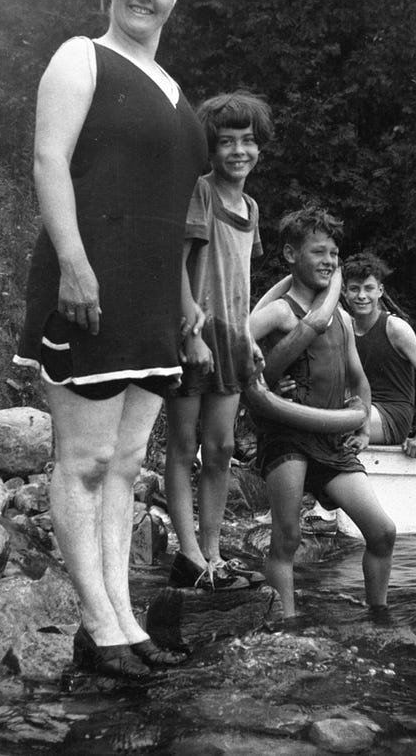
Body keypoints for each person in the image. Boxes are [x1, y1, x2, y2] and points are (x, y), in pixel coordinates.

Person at [14, 0, 210, 680]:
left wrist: (187, 298)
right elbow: (48, 161)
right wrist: (72, 263)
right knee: (86, 459)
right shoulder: (80, 57)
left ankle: (124, 618)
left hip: (153, 298)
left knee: (127, 464)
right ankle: (97, 628)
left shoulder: (171, 87)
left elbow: (176, 202)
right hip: (88, 281)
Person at [248, 208, 396, 618]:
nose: (330, 260)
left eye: (334, 252)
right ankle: (287, 625)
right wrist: (266, 377)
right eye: (319, 251)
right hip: (287, 436)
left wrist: (362, 426)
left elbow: (360, 383)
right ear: (291, 254)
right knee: (288, 538)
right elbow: (234, 344)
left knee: (382, 532)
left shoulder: (343, 318)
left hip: (332, 440)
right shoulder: (280, 312)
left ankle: (378, 617)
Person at [164, 91, 271, 590]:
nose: (238, 151)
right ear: (211, 149)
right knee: (184, 445)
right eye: (226, 142)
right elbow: (177, 264)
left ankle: (212, 554)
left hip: (230, 340)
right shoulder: (200, 192)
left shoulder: (250, 206)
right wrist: (190, 332)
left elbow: (240, 280)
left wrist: (247, 335)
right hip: (194, 336)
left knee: (222, 447)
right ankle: (187, 553)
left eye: (247, 142)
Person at [341, 252, 416, 457]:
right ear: (344, 292)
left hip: (392, 415)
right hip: (357, 407)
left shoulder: (395, 328)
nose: (362, 296)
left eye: (368, 288)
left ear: (380, 290)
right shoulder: (345, 328)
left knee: (333, 424)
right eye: (354, 289)